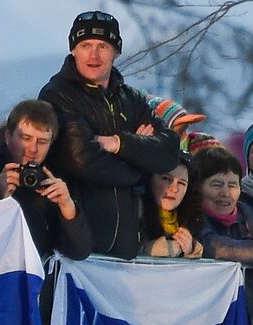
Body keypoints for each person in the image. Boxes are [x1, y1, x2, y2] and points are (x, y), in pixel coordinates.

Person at [39, 11, 179, 259]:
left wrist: (121, 143)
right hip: (76, 247)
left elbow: (169, 152)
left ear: (116, 51)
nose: (94, 55)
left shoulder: (131, 98)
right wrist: (140, 165)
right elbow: (84, 161)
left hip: (126, 249)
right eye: (85, 46)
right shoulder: (57, 95)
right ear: (73, 50)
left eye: (103, 46)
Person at [0, 99, 91, 261]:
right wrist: (0, 199)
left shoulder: (53, 179)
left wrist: (67, 207)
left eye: (42, 142)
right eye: (25, 138)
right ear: (7, 136)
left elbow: (79, 252)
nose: (33, 149)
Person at [194, 146, 253, 269]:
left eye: (232, 185)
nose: (226, 193)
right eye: (217, 185)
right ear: (197, 187)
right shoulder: (191, 215)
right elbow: (212, 245)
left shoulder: (246, 214)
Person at [140, 159, 203, 258]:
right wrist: (145, 250)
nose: (174, 188)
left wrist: (192, 249)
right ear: (149, 179)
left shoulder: (192, 218)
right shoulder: (132, 213)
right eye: (166, 178)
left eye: (182, 183)